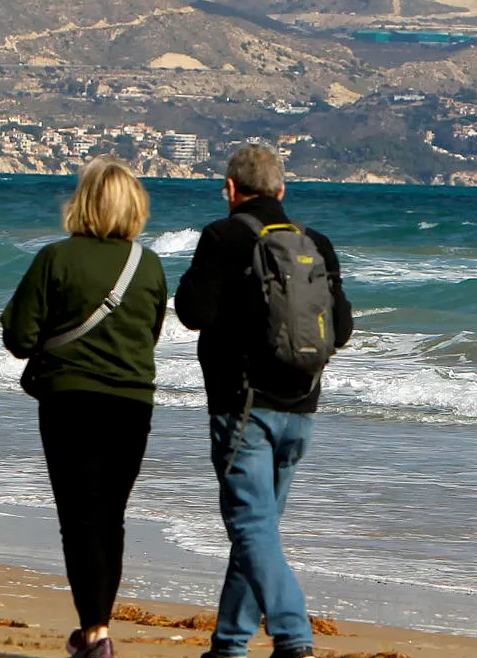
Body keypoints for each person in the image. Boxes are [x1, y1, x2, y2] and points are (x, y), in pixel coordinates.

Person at [175, 143, 352, 658]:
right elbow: (340, 330)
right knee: (260, 531)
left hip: (242, 407)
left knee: (251, 527)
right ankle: (229, 644)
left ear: (231, 190)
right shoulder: (314, 242)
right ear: (282, 189)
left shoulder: (222, 235)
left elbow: (192, 312)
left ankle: (294, 635)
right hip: (302, 406)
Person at [2, 156, 170, 658]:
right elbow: (153, 333)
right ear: (134, 207)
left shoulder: (56, 258)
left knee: (79, 517)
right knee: (110, 516)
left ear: (83, 203)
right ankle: (98, 628)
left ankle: (95, 632)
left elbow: (19, 337)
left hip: (70, 400)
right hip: (132, 403)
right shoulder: (151, 264)